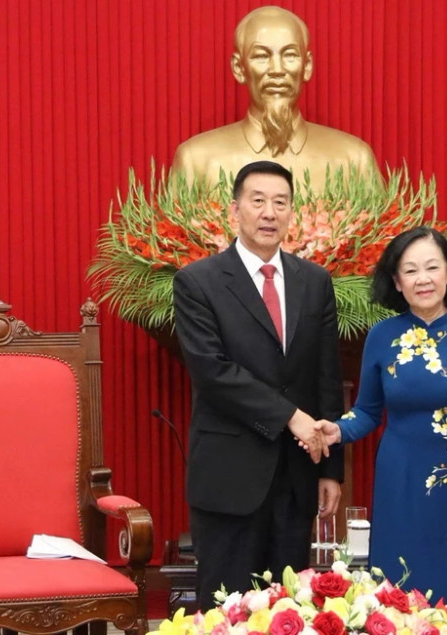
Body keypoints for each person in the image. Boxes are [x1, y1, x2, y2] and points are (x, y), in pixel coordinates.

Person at [173, 160, 345, 609]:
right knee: (228, 609)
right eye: (258, 201)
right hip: (229, 476)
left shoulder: (315, 282)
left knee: (289, 608)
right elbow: (214, 373)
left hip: (296, 477)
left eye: (280, 203)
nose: (269, 212)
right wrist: (290, 416)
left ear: (292, 214)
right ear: (235, 211)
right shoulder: (198, 282)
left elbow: (327, 375)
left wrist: (330, 468)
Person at [317, 226, 447, 615]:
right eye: (410, 270)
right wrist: (337, 430)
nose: (422, 279)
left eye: (431, 267)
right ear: (396, 281)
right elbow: (368, 412)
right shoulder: (381, 336)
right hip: (400, 484)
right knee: (399, 596)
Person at [170, 5, 382, 192]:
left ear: (307, 66)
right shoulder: (196, 161)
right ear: (239, 68)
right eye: (261, 56)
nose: (277, 70)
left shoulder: (353, 160)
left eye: (290, 55)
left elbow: (384, 236)